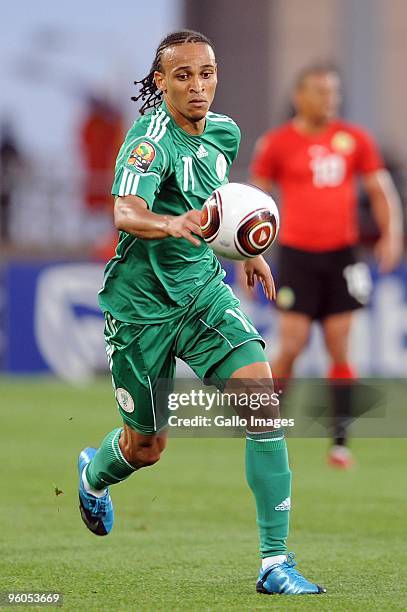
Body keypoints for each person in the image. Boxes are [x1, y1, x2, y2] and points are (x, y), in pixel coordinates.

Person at [77, 31, 326, 596]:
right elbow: (124, 210)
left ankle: (274, 562)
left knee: (262, 405)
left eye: (206, 72)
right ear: (160, 81)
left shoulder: (224, 133)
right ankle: (94, 477)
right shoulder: (148, 140)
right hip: (141, 310)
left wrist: (248, 250)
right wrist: (169, 224)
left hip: (202, 296)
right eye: (183, 75)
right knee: (147, 447)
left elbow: (217, 208)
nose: (198, 85)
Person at [249, 65, 403, 468]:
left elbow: (379, 188)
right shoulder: (277, 144)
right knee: (293, 346)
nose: (329, 98)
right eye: (320, 91)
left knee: (340, 347)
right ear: (299, 96)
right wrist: (249, 253)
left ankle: (340, 440)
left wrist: (392, 233)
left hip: (341, 256)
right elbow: (254, 202)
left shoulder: (355, 140)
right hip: (297, 256)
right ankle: (267, 423)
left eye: (333, 91)